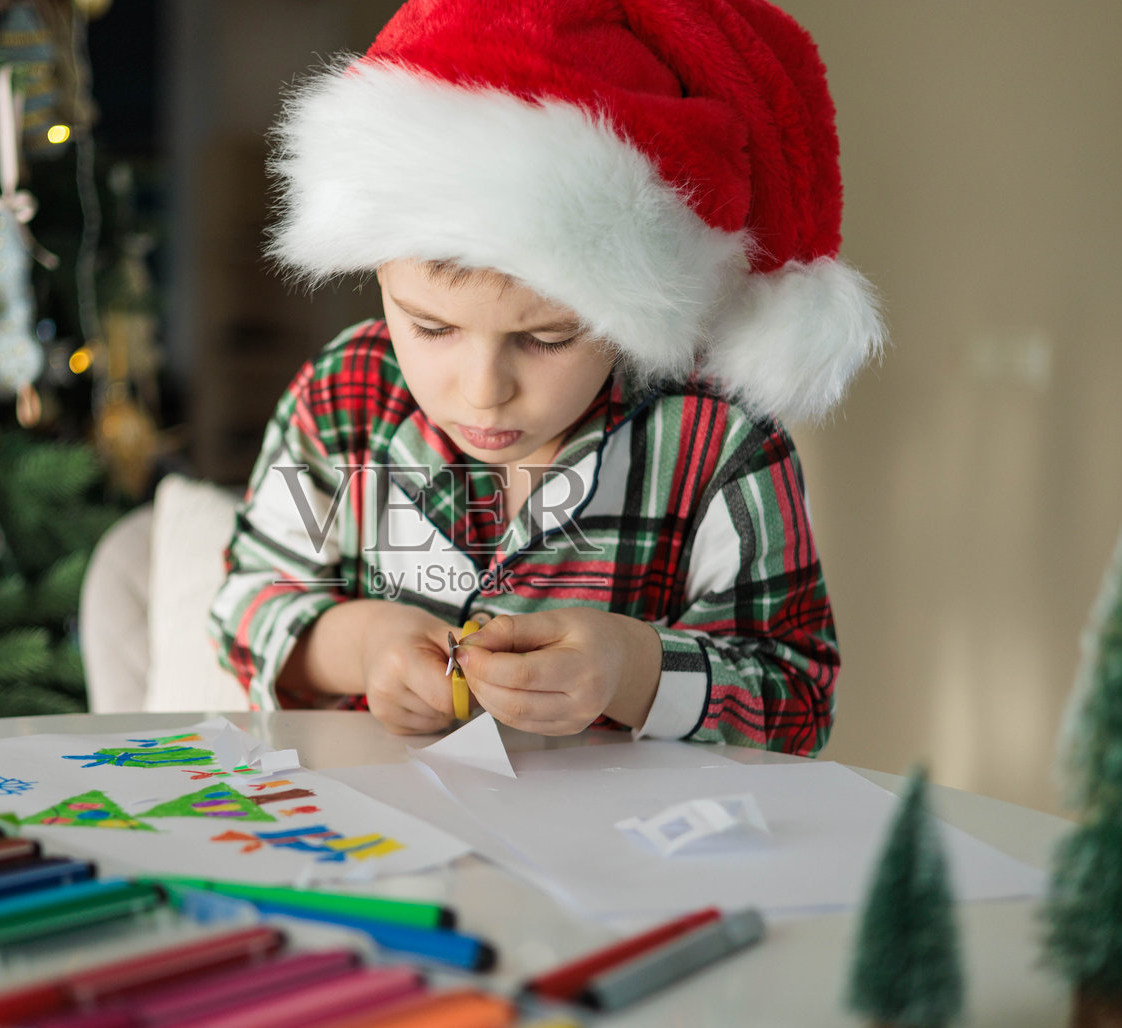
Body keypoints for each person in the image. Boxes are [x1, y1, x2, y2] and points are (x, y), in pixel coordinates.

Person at [208, 0, 884, 756]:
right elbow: (247, 602)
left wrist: (634, 668)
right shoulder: (346, 398)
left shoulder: (715, 441)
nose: (484, 388)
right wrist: (362, 644)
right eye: (431, 328)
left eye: (546, 338)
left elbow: (797, 699)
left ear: (630, 310)